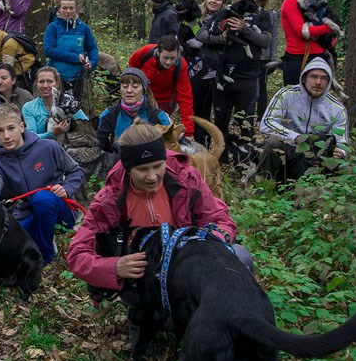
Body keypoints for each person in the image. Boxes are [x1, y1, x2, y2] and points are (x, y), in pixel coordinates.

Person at [66, 122, 251, 312]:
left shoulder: (186, 178)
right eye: (143, 169)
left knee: (241, 256)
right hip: (145, 276)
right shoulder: (111, 198)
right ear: (129, 168)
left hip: (190, 262)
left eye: (157, 166)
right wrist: (113, 267)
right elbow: (77, 254)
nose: (152, 176)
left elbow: (220, 219)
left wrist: (209, 243)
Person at [0, 104, 83, 266]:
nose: (6, 136)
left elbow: (76, 171)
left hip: (60, 210)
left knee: (42, 199)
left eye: (11, 128)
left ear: (22, 126)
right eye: (0, 131)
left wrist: (66, 188)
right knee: (4, 244)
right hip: (26, 213)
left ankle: (46, 256)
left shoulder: (48, 147)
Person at [197, 0, 273, 163]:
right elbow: (201, 34)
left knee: (246, 123)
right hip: (223, 76)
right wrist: (221, 38)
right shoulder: (224, 12)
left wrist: (244, 29)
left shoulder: (262, 14)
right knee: (220, 121)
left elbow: (265, 41)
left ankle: (246, 163)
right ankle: (220, 162)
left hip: (248, 77)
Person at [254, 58, 348, 180]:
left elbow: (342, 141)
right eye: (313, 76)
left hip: (317, 154)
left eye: (324, 78)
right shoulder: (286, 94)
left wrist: (340, 151)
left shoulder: (337, 108)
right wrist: (295, 137)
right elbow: (267, 123)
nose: (318, 82)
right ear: (304, 78)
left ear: (329, 82)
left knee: (345, 169)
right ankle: (264, 187)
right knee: (271, 143)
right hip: (288, 148)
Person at [127, 35, 194, 136]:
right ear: (158, 52)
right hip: (142, 99)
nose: (168, 62)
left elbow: (185, 97)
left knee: (159, 134)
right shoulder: (145, 52)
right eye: (165, 58)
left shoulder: (181, 65)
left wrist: (188, 132)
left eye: (172, 58)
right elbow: (132, 68)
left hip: (165, 102)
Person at [184, 0, 226, 144]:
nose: (213, 1)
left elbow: (224, 41)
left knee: (219, 111)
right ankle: (201, 143)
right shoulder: (195, 17)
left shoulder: (225, 18)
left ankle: (218, 145)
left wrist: (208, 40)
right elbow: (193, 41)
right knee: (199, 110)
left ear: (223, 2)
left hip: (218, 70)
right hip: (196, 70)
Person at [96, 68, 172, 152]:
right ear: (120, 89)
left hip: (150, 161)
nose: (129, 90)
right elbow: (100, 144)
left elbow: (170, 146)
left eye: (135, 87)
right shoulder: (109, 114)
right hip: (118, 161)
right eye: (124, 86)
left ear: (143, 89)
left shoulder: (159, 116)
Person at [42, 0, 99, 100]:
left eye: (71, 8)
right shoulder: (53, 27)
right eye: (65, 8)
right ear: (59, 8)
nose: (68, 11)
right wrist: (75, 57)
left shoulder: (83, 28)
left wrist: (92, 63)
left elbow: (92, 48)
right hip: (56, 77)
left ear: (75, 8)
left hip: (77, 77)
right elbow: (49, 50)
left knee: (74, 108)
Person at [22, 67, 89, 140]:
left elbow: (87, 127)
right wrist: (52, 134)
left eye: (49, 81)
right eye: (41, 82)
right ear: (36, 84)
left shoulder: (68, 103)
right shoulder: (29, 107)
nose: (45, 85)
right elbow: (31, 138)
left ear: (57, 83)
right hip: (41, 148)